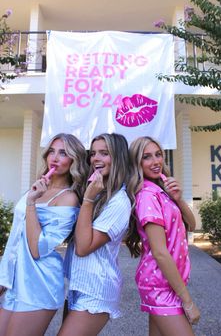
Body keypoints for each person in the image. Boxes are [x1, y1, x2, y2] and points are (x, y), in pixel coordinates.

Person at [0, 133, 88, 336]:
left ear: (74, 160)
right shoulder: (38, 186)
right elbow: (15, 238)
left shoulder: (69, 199)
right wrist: (4, 278)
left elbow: (39, 249)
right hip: (15, 280)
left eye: (63, 153)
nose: (54, 157)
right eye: (51, 151)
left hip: (39, 284)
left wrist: (31, 203)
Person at [58, 133, 132, 336]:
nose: (95, 158)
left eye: (104, 153)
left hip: (97, 289)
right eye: (93, 154)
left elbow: (83, 248)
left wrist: (88, 200)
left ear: (118, 159)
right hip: (78, 285)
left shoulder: (119, 202)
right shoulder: (97, 192)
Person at [126, 136, 200, 336]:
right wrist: (188, 301)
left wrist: (179, 200)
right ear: (137, 163)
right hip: (160, 285)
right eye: (147, 157)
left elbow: (191, 225)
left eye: (158, 154)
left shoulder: (162, 192)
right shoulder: (148, 195)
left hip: (168, 282)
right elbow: (159, 253)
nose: (156, 161)